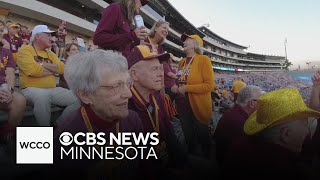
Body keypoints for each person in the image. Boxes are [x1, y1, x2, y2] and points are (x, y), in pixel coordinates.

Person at [51, 49, 144, 179]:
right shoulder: (64, 140)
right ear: (85, 95)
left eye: (128, 83)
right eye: (116, 86)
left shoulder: (133, 119)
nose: (128, 94)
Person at [222, 88, 320, 179]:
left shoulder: (239, 147)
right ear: (286, 134)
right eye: (305, 124)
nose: (307, 130)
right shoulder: (287, 170)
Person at [127, 45, 186, 178]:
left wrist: (181, 160)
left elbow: (168, 130)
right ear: (134, 74)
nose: (161, 73)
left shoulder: (158, 97)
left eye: (160, 68)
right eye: (154, 69)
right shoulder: (124, 107)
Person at [16, 25, 79, 126]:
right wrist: (54, 70)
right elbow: (32, 70)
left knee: (80, 98)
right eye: (48, 35)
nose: (52, 38)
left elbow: (63, 69)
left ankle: (58, 125)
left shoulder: (51, 53)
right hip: (30, 89)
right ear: (38, 36)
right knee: (42, 96)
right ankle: (44, 132)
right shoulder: (25, 50)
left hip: (53, 89)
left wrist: (42, 64)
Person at [172, 34, 214, 157]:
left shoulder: (203, 59)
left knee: (203, 135)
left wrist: (187, 88)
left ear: (196, 44)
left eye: (188, 40)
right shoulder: (181, 62)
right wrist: (176, 86)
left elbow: (209, 85)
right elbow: (180, 80)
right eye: (184, 40)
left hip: (198, 105)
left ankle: (207, 160)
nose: (184, 41)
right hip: (182, 105)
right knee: (188, 134)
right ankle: (192, 159)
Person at [213, 85, 263, 167]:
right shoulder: (241, 123)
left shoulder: (235, 112)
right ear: (251, 104)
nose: (262, 104)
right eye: (261, 101)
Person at [0, 36, 26, 142]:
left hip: (2, 87)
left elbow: (10, 74)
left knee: (19, 100)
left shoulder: (6, 52)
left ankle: (8, 134)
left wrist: (9, 91)